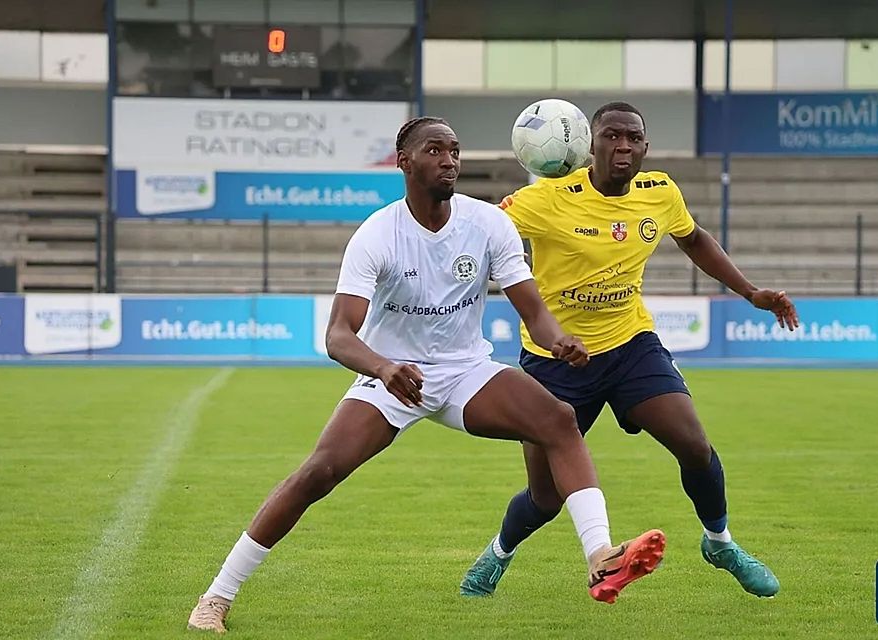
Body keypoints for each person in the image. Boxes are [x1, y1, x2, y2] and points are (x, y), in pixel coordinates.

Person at [188, 116, 666, 633]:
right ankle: (216, 597)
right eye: (435, 150)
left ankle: (601, 557)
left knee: (559, 420)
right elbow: (339, 336)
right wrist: (384, 367)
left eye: (455, 150)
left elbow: (534, 311)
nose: (449, 160)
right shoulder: (377, 234)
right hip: (392, 375)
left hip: (465, 370)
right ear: (404, 162)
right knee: (318, 474)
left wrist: (558, 340)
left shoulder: (488, 223)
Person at [459, 102, 799, 599]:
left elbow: (694, 238)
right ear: (588, 145)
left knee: (694, 445)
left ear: (645, 146)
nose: (623, 146)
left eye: (632, 138)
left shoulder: (659, 192)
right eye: (612, 136)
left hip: (630, 346)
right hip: (555, 360)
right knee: (546, 498)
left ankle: (720, 542)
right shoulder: (546, 199)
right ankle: (497, 555)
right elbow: (478, 230)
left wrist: (751, 293)